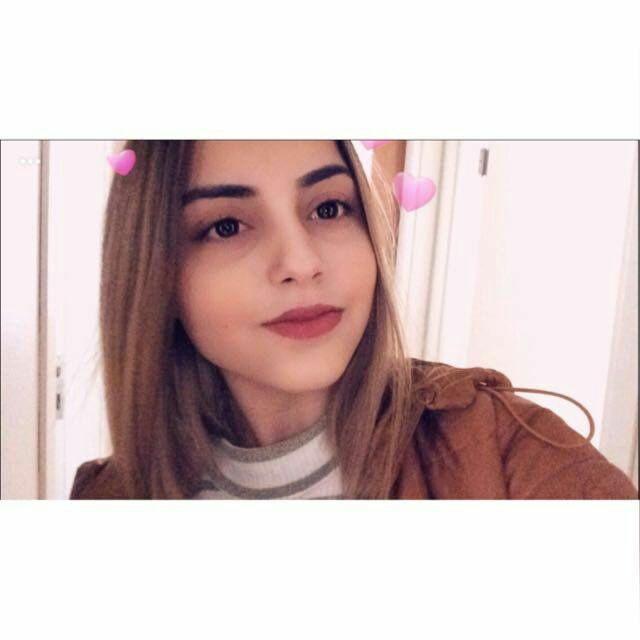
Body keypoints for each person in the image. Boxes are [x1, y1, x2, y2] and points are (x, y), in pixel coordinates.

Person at [70, 140, 638, 500]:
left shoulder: (497, 445)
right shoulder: (108, 498)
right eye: (226, 226)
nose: (301, 263)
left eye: (328, 208)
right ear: (155, 274)